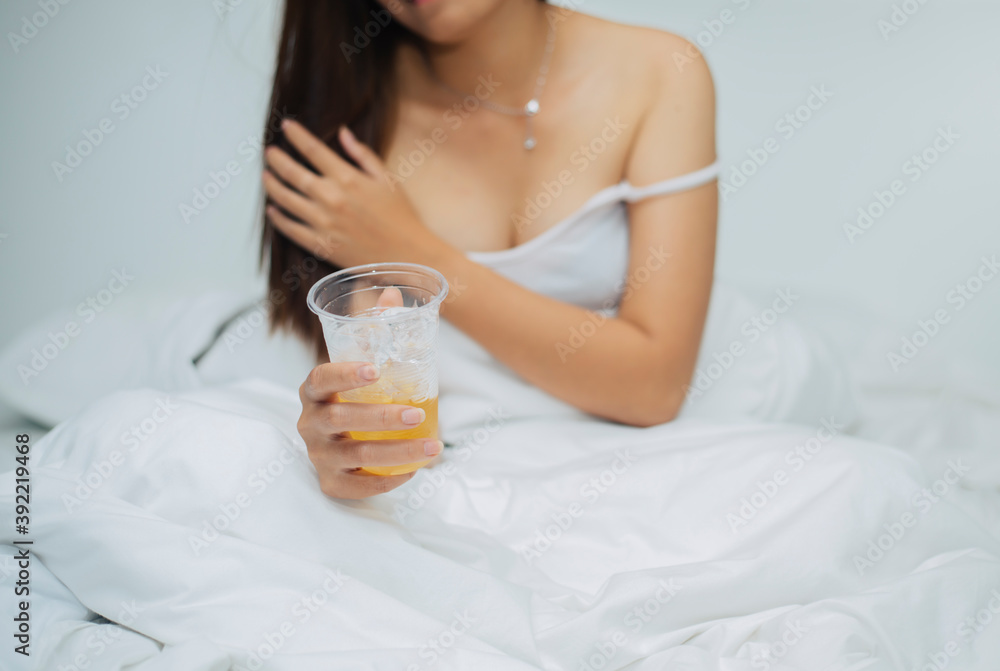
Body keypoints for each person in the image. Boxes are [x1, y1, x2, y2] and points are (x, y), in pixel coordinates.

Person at [259, 0, 718, 499]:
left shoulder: (659, 74)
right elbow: (372, 397)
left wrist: (413, 249)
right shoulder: (345, 109)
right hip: (458, 461)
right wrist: (349, 453)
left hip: (621, 448)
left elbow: (653, 389)